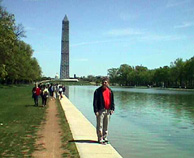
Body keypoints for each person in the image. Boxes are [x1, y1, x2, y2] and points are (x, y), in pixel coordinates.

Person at [93, 78, 115, 144]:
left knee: (106, 125)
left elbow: (112, 101)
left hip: (108, 110)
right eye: (103, 82)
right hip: (100, 110)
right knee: (100, 125)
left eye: (105, 82)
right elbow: (95, 102)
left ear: (108, 83)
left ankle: (105, 137)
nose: (104, 83)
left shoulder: (110, 91)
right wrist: (96, 110)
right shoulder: (97, 91)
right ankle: (100, 138)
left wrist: (112, 109)